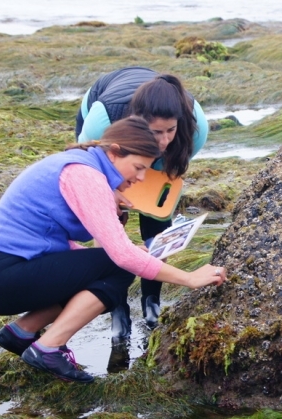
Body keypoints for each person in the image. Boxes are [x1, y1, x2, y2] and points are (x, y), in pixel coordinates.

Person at [0, 117, 226, 383]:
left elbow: (61, 247)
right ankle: (48, 348)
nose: (140, 177)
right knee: (116, 268)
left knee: (105, 274)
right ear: (114, 152)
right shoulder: (85, 175)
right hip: (1, 274)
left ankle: (22, 333)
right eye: (138, 167)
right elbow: (120, 257)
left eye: (146, 170)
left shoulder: (81, 166)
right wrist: (190, 279)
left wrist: (127, 250)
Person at [76, 67, 210, 338]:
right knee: (106, 220)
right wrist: (109, 193)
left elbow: (165, 186)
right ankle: (116, 305)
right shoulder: (103, 120)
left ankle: (152, 302)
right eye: (155, 132)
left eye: (169, 130)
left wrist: (149, 196)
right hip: (103, 108)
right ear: (138, 123)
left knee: (157, 217)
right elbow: (84, 169)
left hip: (168, 129)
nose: (163, 140)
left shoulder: (195, 129)